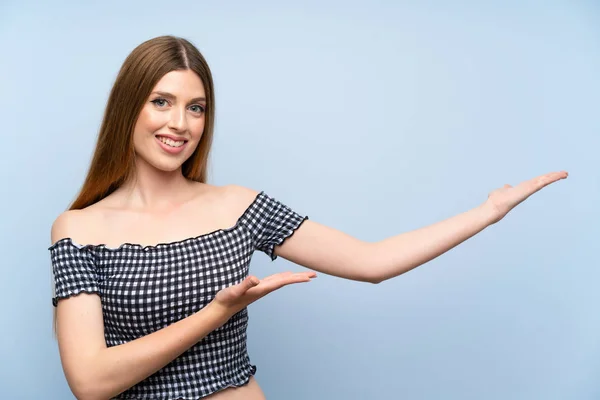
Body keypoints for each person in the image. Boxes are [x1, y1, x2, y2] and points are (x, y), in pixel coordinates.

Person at [49, 35, 568, 400]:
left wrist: (487, 213)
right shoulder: (78, 230)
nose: (179, 124)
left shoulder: (238, 207)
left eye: (197, 107)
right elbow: (91, 382)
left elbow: (372, 260)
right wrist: (217, 312)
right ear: (129, 107)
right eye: (161, 101)